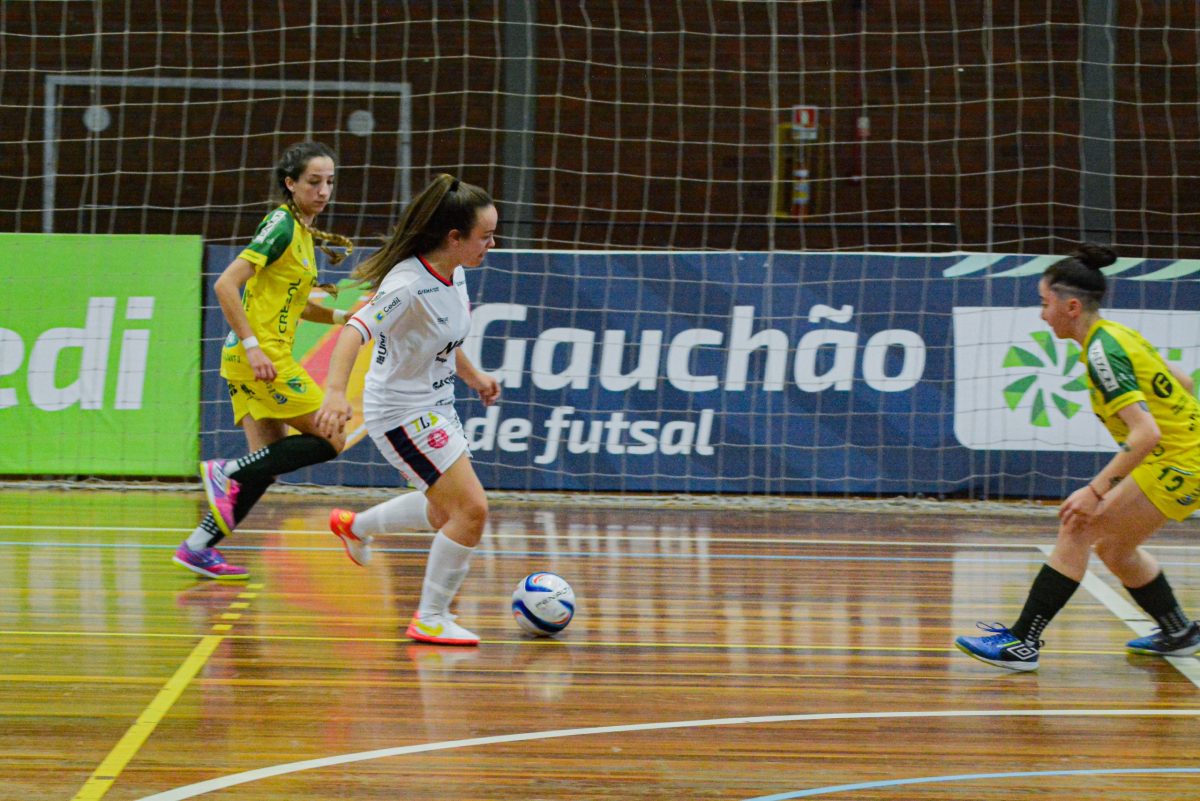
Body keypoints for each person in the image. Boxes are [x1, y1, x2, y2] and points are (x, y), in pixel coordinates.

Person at [956, 243, 1200, 672]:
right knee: (1116, 549)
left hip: (1180, 461)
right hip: (1183, 454)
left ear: (1070, 306)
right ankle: (1178, 630)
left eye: (1043, 302)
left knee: (1079, 525)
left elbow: (1146, 432)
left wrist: (1094, 490)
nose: (1041, 313)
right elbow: (1181, 381)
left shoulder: (1103, 352)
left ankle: (1021, 642)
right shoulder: (1117, 335)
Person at [315, 173, 500, 646]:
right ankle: (431, 617)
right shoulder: (407, 284)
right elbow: (354, 332)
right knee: (471, 510)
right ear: (454, 238)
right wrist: (336, 393)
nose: (492, 244)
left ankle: (354, 528)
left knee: (447, 514)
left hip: (436, 404)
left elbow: (439, 339)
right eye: (485, 236)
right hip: (399, 411)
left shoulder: (454, 273)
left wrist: (474, 377)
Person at [174, 141, 355, 580]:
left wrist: (338, 316)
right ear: (290, 184)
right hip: (263, 357)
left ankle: (198, 546)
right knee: (332, 436)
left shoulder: (302, 232)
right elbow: (225, 285)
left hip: (253, 358)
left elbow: (293, 303)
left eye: (329, 181)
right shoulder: (280, 226)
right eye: (314, 182)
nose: (324, 190)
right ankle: (225, 471)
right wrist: (254, 345)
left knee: (266, 464)